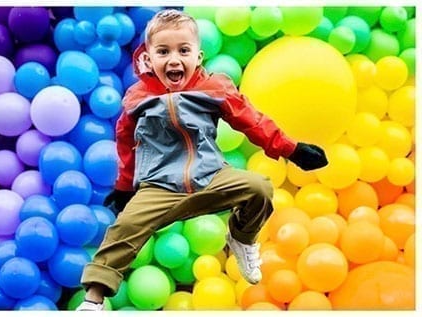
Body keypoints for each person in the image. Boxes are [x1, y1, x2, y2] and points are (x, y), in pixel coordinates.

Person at [75, 9, 329, 311]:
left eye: (183, 50)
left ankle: (241, 238)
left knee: (259, 188)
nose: (173, 59)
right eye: (163, 51)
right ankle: (94, 300)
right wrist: (124, 187)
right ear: (149, 58)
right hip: (160, 186)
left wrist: (291, 149)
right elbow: (126, 144)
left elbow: (253, 121)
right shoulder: (137, 98)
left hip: (210, 177)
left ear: (198, 56)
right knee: (123, 229)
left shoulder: (214, 88)